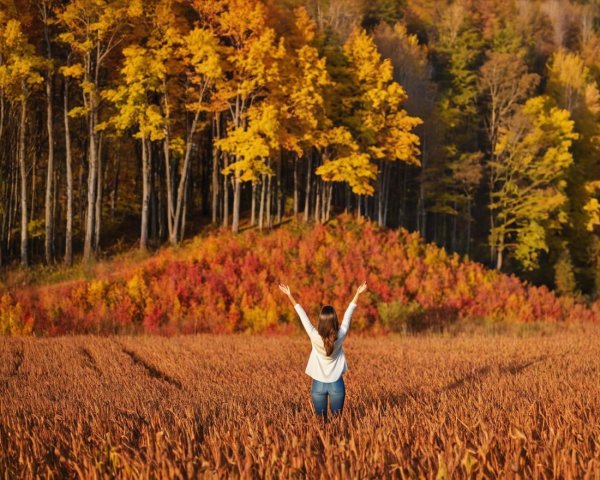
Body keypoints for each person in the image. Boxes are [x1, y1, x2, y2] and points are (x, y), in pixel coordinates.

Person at [278, 281, 367, 419]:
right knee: (337, 424)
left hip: (318, 385)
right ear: (335, 321)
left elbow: (303, 316)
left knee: (321, 424)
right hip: (337, 384)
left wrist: (290, 295)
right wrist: (357, 293)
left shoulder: (314, 336)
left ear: (320, 321)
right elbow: (349, 313)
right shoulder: (341, 334)